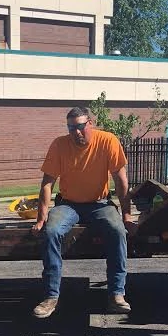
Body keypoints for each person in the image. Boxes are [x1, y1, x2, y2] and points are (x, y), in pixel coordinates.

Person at [30, 107, 136, 319]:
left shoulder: (108, 141)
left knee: (117, 231)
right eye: (71, 128)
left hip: (100, 204)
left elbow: (121, 180)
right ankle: (51, 296)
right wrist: (41, 219)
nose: (76, 132)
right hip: (68, 205)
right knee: (51, 232)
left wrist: (126, 215)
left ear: (90, 123)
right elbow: (47, 184)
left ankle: (117, 293)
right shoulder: (59, 145)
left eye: (80, 126)